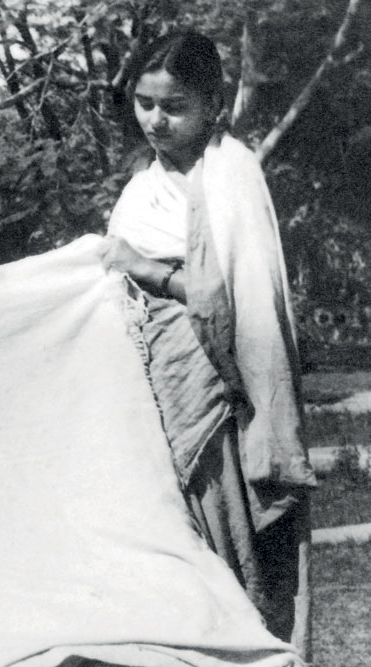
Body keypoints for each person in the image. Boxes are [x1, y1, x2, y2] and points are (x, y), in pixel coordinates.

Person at [98, 31, 317, 652]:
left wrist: (151, 271)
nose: (155, 120)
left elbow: (245, 299)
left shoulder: (231, 173)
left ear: (212, 104)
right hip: (153, 395)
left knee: (231, 548)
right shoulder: (143, 184)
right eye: (144, 103)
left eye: (174, 106)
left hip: (219, 397)